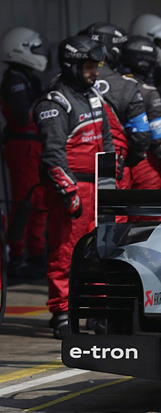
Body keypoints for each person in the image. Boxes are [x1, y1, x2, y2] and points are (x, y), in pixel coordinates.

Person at [34, 35, 114, 338]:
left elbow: (107, 143)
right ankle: (62, 313)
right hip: (71, 191)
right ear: (72, 65)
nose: (96, 72)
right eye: (90, 66)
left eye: (97, 65)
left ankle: (96, 312)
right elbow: (53, 155)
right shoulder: (54, 104)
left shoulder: (94, 97)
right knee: (65, 253)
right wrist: (69, 193)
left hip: (98, 188)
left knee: (100, 253)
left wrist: (111, 181)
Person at [0, 27, 49, 279]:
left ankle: (35, 254)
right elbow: (22, 116)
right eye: (35, 49)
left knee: (39, 201)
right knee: (24, 203)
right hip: (23, 146)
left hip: (35, 146)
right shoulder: (14, 80)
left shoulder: (28, 78)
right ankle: (16, 256)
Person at [84, 23, 151, 177]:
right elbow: (141, 136)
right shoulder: (127, 86)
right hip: (114, 168)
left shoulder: (60, 82)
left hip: (76, 170)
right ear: (113, 49)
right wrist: (126, 162)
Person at [120, 36, 161, 196]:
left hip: (115, 162)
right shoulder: (148, 92)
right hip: (145, 164)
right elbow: (159, 139)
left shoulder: (108, 87)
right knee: (149, 218)